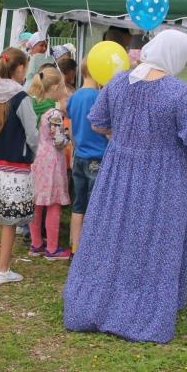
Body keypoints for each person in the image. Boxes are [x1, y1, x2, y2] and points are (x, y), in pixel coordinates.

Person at [63, 30, 187, 344]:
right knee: (155, 239)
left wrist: (124, 140)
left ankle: (96, 304)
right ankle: (142, 309)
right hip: (164, 177)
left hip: (118, 171)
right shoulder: (180, 93)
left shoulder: (117, 82)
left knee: (111, 235)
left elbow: (97, 123)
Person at [0, 48, 37, 285]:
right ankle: (3, 269)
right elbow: (32, 134)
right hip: (14, 166)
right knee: (10, 219)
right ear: (20, 68)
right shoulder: (21, 98)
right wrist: (33, 153)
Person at [26, 67, 71, 259]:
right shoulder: (54, 114)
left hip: (37, 159)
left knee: (36, 202)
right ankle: (52, 248)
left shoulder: (35, 106)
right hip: (52, 162)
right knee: (53, 203)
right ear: (54, 87)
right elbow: (59, 141)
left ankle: (36, 243)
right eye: (62, 87)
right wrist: (68, 136)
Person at [65, 57, 107, 253]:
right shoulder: (99, 97)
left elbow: (72, 129)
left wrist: (76, 148)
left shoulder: (74, 97)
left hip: (79, 156)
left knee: (78, 204)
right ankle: (91, 249)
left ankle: (75, 247)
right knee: (95, 205)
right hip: (97, 157)